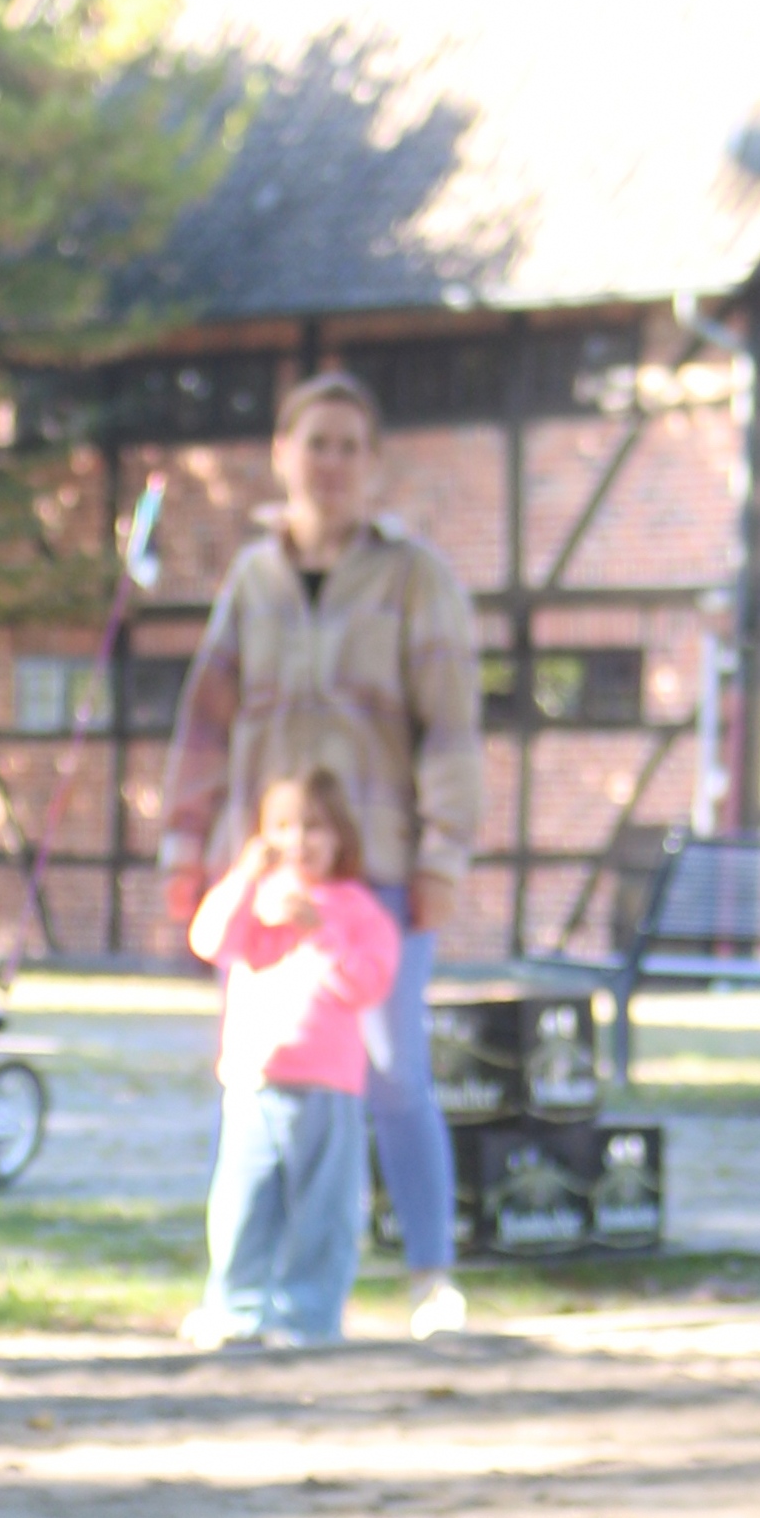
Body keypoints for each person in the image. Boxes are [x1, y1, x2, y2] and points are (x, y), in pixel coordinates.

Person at [155, 370, 481, 1343]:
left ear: (372, 464)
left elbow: (452, 726)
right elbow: (204, 722)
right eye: (316, 443)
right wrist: (187, 838)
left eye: (350, 445)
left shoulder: (415, 577)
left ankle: (429, 1274)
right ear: (283, 456)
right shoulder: (252, 580)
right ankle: (249, 1285)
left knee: (390, 1068)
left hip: (375, 861)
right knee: (262, 1071)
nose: (331, 463)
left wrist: (444, 853)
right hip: (265, 871)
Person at [182, 766, 401, 1349]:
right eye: (282, 826)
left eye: (314, 828)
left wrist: (320, 930)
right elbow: (211, 941)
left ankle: (309, 1317)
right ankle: (235, 1309)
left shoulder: (357, 910)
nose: (299, 841)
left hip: (329, 1088)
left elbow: (366, 983)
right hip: (255, 1082)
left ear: (341, 837)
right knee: (242, 1207)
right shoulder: (256, 899)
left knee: (325, 1214)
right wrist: (243, 877)